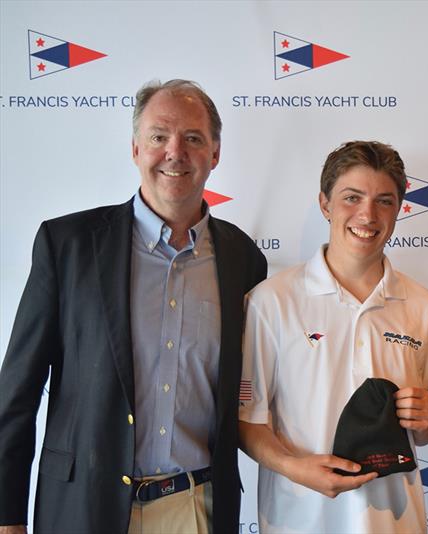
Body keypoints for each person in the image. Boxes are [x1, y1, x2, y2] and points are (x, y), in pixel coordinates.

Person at [0, 79, 268, 534]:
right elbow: (17, 393)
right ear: (135, 148)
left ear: (215, 154)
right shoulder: (67, 245)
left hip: (196, 510)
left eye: (194, 139)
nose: (174, 152)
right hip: (83, 506)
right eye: (159, 136)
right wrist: (7, 518)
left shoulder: (244, 259)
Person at [238, 140, 428, 533]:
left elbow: (427, 431)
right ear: (325, 204)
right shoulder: (271, 300)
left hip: (396, 522)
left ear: (399, 210)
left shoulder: (426, 307)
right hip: (299, 520)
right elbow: (249, 420)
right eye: (352, 197)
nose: (367, 214)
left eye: (384, 201)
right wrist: (293, 467)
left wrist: (424, 420)